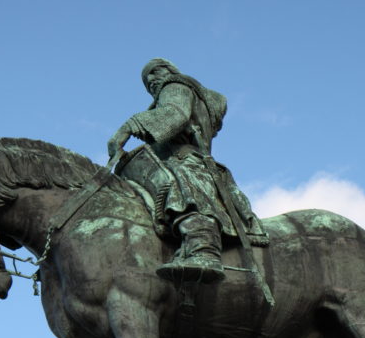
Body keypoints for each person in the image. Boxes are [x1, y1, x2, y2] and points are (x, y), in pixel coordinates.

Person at [108, 58, 267, 284]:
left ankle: (205, 249)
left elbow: (175, 114)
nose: (151, 81)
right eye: (146, 80)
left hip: (185, 161)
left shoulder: (176, 86)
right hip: (183, 159)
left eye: (154, 72)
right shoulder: (178, 93)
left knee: (181, 191)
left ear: (170, 71)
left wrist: (129, 127)